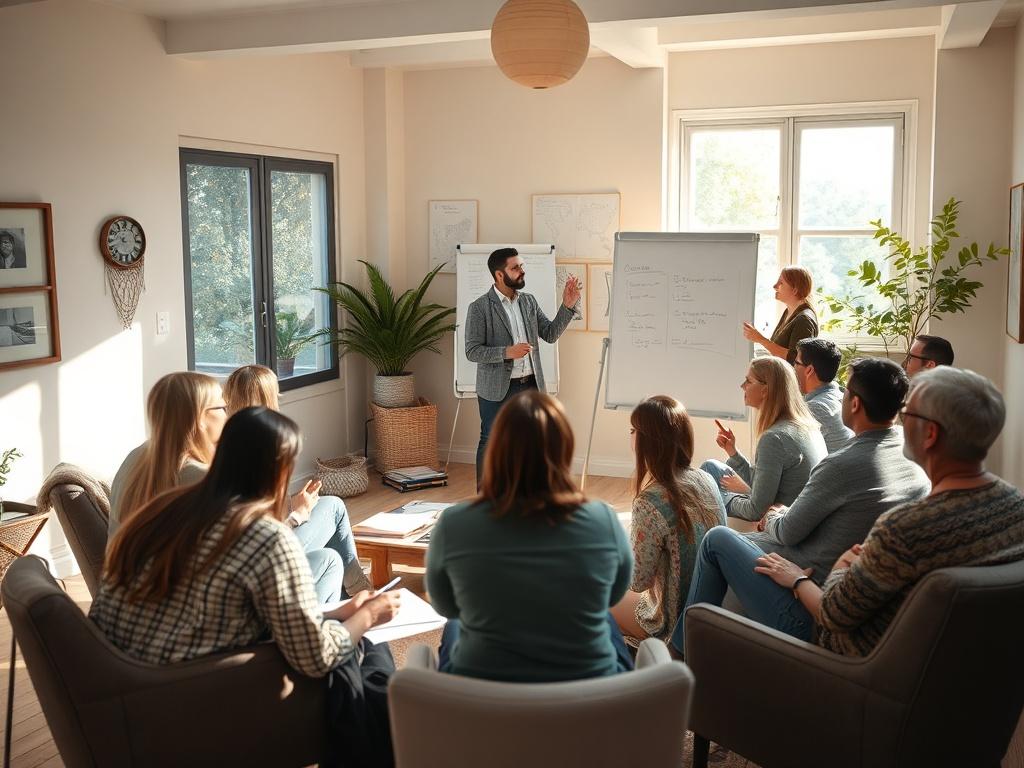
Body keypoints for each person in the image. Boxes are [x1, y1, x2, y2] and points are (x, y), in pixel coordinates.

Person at [91, 407, 402, 763]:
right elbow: (316, 658)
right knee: (373, 655)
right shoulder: (265, 537)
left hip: (131, 694)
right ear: (280, 470)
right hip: (206, 701)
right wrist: (368, 616)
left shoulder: (163, 510)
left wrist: (342, 611)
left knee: (346, 635)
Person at [749, 366, 1024, 656]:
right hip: (968, 671)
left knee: (719, 543)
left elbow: (834, 614)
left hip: (849, 669)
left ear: (930, 434)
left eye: (906, 413)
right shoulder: (1015, 505)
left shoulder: (902, 529)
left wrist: (809, 575)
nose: (898, 422)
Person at [671, 357, 930, 652]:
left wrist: (773, 516)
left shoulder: (842, 464)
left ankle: (680, 651)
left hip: (808, 600)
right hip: (841, 578)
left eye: (845, 393)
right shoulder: (911, 454)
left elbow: (788, 532)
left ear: (855, 404)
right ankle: (700, 632)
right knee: (738, 539)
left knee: (716, 539)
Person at [426, 390, 634, 682]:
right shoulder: (603, 520)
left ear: (497, 449)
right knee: (606, 620)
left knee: (454, 626)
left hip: (481, 698)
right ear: (564, 449)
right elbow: (613, 594)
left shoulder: (453, 523)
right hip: (589, 699)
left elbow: (446, 606)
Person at [110, 371, 343, 604]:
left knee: (331, 509)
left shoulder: (136, 458)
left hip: (149, 599)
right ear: (200, 418)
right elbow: (258, 552)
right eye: (222, 407)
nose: (228, 412)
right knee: (330, 549)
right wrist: (298, 515)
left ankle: (352, 597)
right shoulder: (205, 481)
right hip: (214, 603)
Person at [224, 364, 370, 596]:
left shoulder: (226, 442)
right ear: (269, 397)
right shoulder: (263, 448)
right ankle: (359, 591)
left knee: (331, 504)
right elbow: (263, 536)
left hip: (252, 554)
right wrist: (298, 514)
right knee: (334, 515)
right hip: (266, 560)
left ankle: (353, 591)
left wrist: (295, 503)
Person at [609, 396, 725, 643]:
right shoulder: (705, 479)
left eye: (632, 430)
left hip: (671, 624)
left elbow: (637, 582)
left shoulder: (650, 502)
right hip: (712, 610)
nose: (630, 436)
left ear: (646, 439)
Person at [464, 247, 580, 484]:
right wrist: (508, 352)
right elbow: (472, 351)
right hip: (497, 389)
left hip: (530, 385)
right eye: (515, 268)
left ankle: (531, 497)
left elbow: (549, 333)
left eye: (521, 266)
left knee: (536, 441)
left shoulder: (528, 302)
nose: (521, 271)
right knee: (490, 439)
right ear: (499, 274)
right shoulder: (479, 308)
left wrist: (567, 307)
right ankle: (485, 500)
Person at [702, 357, 826, 524]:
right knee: (710, 467)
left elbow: (756, 510)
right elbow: (761, 482)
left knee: (704, 492)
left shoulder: (774, 438)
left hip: (780, 527)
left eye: (748, 381)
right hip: (792, 518)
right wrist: (732, 451)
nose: (742, 386)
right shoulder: (806, 426)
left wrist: (715, 498)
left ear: (765, 390)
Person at [742, 266, 818, 363]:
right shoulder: (788, 311)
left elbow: (795, 359)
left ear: (795, 290)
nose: (774, 286)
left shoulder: (804, 320)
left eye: (780, 283)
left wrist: (760, 339)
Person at [794, 338, 854, 453]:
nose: (793, 368)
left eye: (796, 363)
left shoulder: (815, 408)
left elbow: (791, 456)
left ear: (809, 370)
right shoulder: (839, 395)